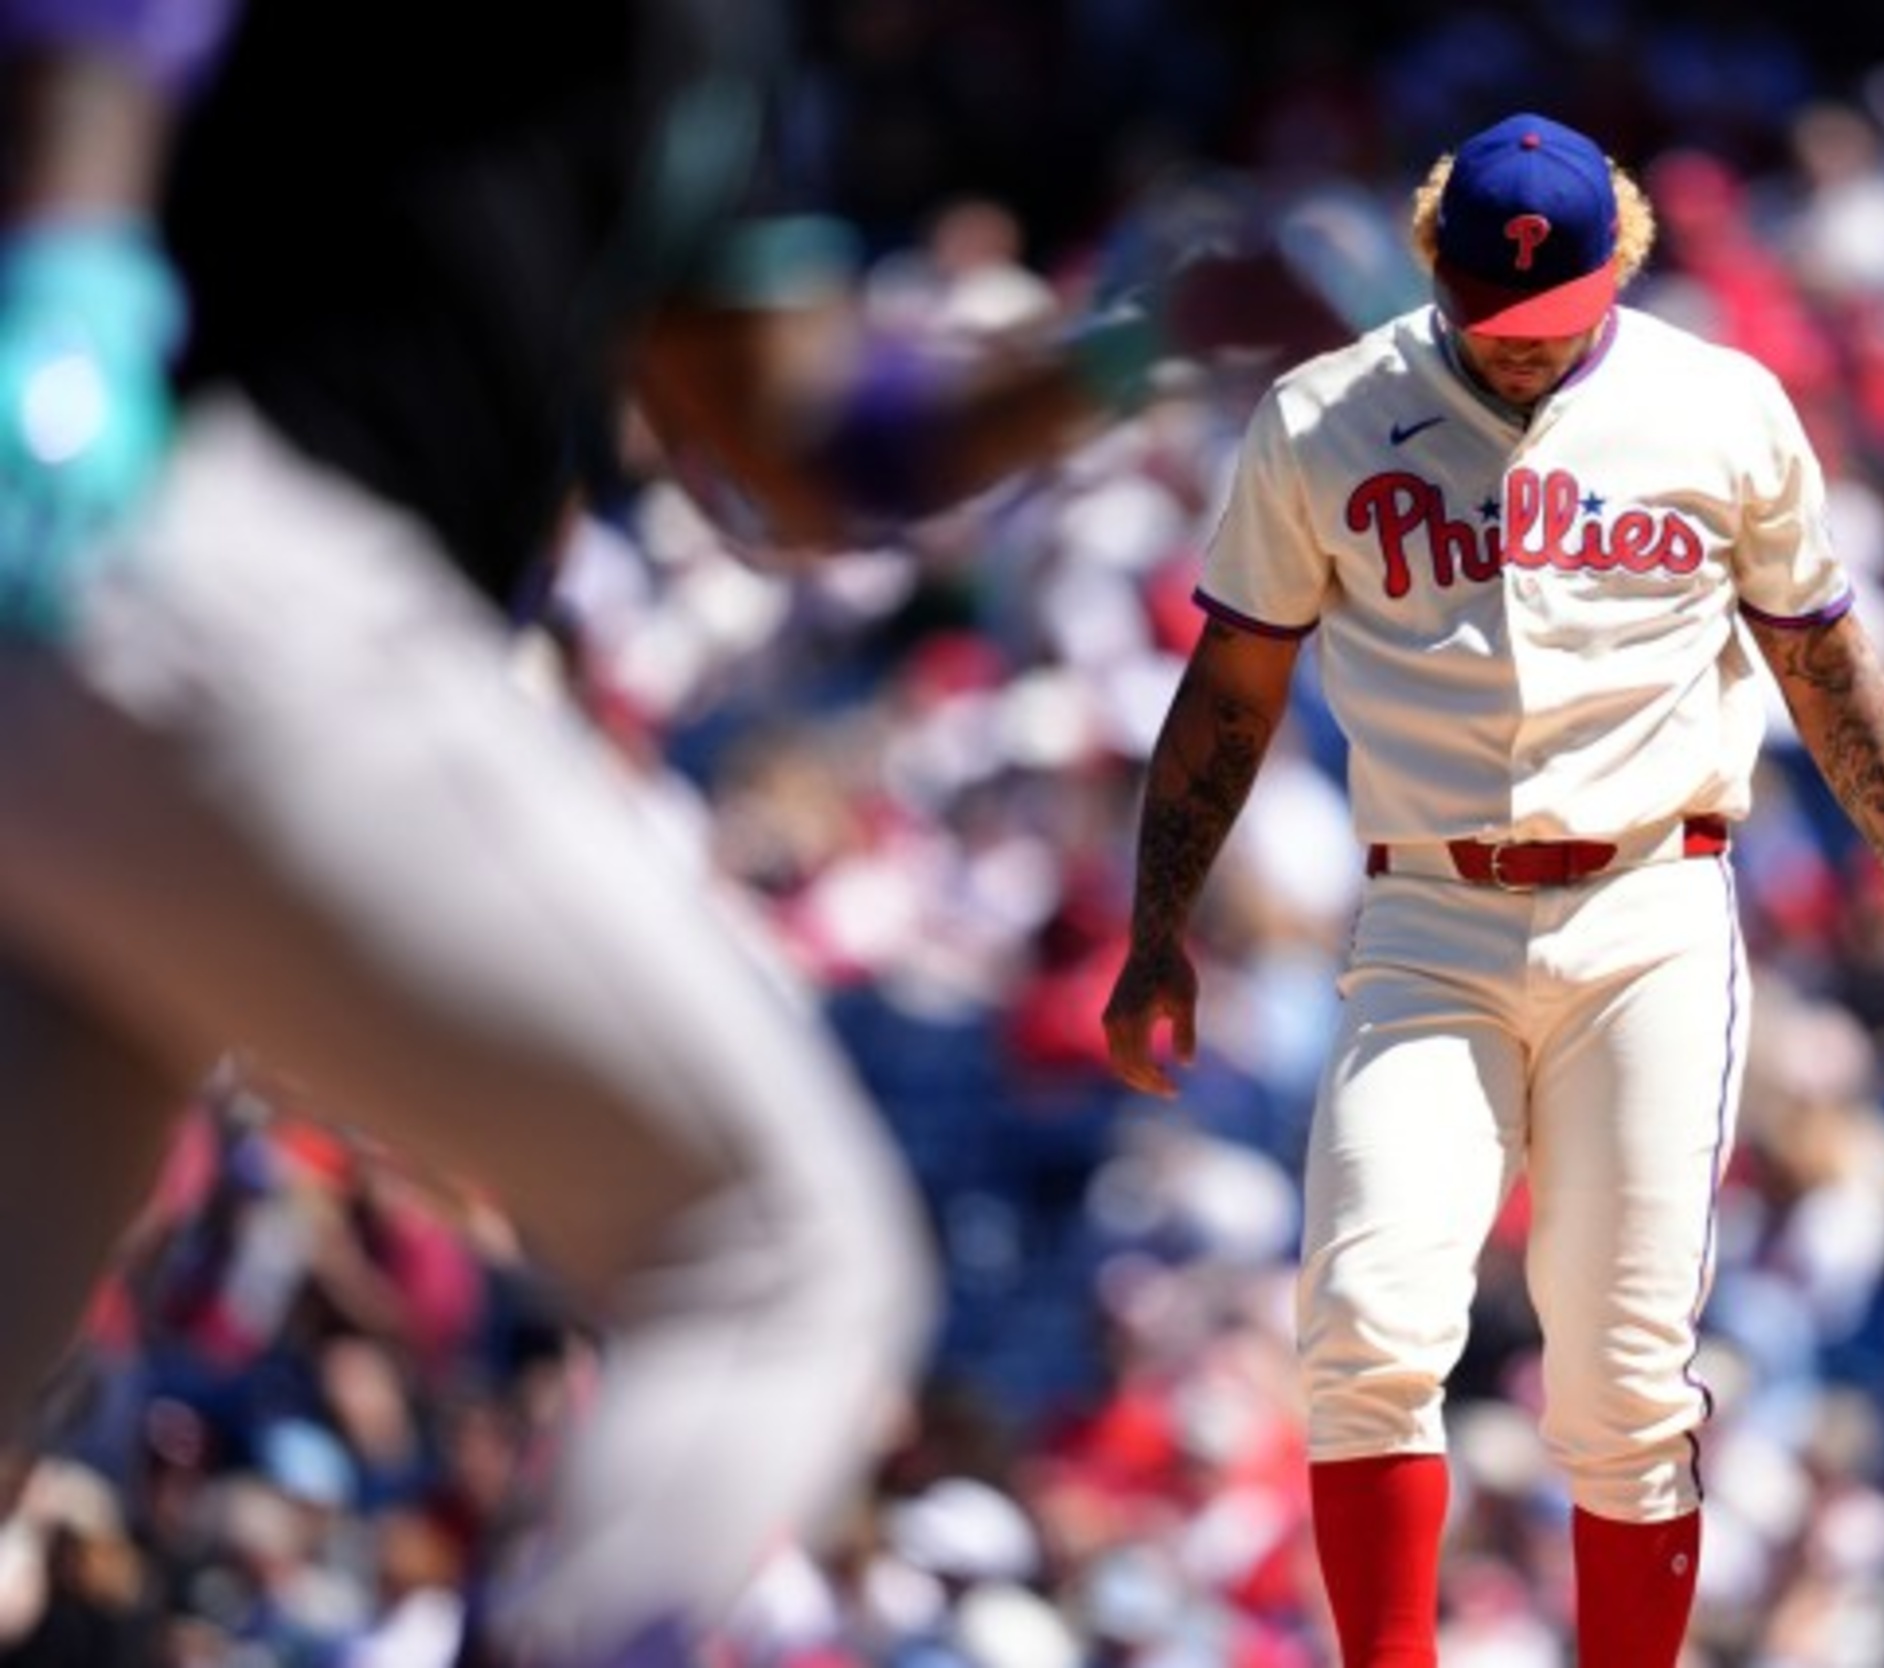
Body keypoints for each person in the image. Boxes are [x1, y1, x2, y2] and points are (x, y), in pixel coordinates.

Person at [0, 3, 1331, 1664]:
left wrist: (1132, 342)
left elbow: (795, 445)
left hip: (137, 684)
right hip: (194, 563)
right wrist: (68, 252)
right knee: (780, 1262)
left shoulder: (727, 51)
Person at [1100, 111, 1884, 1667]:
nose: (1528, 342)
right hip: (1428, 919)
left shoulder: (1718, 408)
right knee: (1364, 1331)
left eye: (1556, 311)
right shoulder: (1323, 418)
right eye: (1497, 311)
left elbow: (1827, 670)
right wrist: (1159, 930)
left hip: (1650, 919)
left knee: (1622, 1386)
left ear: (1623, 261)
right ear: (1433, 265)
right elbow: (1231, 690)